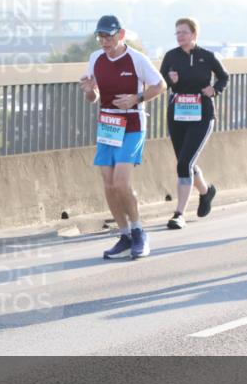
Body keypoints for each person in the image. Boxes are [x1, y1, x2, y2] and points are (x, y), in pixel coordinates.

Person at [79, 15, 166, 259]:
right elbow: (93, 96)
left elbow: (160, 86)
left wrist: (136, 99)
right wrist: (89, 92)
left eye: (109, 36)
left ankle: (139, 232)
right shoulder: (95, 58)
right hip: (107, 125)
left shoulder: (137, 59)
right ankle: (125, 235)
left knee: (121, 183)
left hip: (132, 123)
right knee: (108, 184)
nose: (104, 41)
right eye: (101, 37)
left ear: (121, 34)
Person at [160, 17, 228, 229]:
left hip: (202, 115)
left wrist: (214, 90)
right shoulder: (171, 56)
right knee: (185, 161)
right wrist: (169, 80)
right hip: (178, 115)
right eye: (177, 32)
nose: (180, 36)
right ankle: (206, 192)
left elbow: (224, 77)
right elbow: (160, 81)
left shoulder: (207, 56)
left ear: (194, 35)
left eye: (184, 32)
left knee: (184, 164)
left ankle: (179, 213)